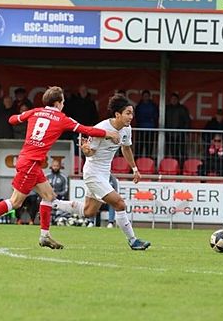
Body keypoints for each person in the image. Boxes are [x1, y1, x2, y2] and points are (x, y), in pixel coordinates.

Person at [0, 86, 120, 249]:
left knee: (48, 196)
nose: (63, 104)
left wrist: (21, 117)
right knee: (16, 202)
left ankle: (45, 236)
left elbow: (12, 120)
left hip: (29, 162)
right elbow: (86, 129)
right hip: (30, 164)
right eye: (62, 101)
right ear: (57, 103)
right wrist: (108, 133)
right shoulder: (62, 118)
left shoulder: (35, 112)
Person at [52, 94, 151, 250]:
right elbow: (90, 153)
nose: (131, 117)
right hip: (93, 173)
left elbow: (126, 148)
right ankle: (133, 240)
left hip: (104, 174)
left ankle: (53, 203)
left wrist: (135, 169)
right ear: (117, 114)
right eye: (128, 113)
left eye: (132, 113)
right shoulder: (101, 128)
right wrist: (85, 150)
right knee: (119, 203)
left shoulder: (127, 129)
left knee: (89, 211)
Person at [27, 158, 69, 225]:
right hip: (45, 196)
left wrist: (57, 194)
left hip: (58, 197)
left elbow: (65, 190)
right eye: (54, 166)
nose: (55, 168)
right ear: (51, 166)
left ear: (59, 167)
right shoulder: (46, 176)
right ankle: (32, 220)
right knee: (34, 200)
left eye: (57, 166)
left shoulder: (63, 177)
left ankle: (56, 220)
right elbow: (39, 187)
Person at [164, 92, 191, 161]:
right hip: (170, 134)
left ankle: (182, 165)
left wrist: (185, 131)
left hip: (180, 134)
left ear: (178, 100)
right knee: (173, 151)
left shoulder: (182, 109)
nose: (173, 100)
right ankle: (176, 164)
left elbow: (187, 121)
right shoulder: (167, 109)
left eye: (175, 99)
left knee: (182, 151)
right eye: (172, 99)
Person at [133, 89, 158, 158]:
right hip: (140, 129)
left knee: (149, 147)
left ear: (149, 96)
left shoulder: (153, 105)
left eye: (147, 96)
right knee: (139, 147)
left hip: (151, 129)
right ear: (142, 96)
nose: (146, 97)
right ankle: (136, 162)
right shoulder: (139, 106)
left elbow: (155, 116)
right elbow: (137, 117)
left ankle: (148, 162)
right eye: (144, 96)